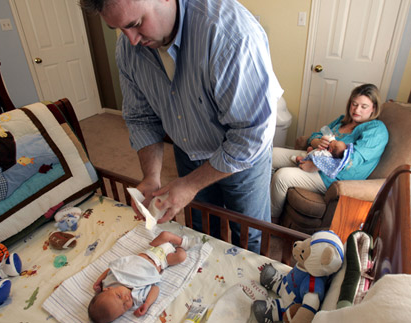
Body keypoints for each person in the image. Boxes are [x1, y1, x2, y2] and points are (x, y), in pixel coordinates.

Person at [80, 0, 283, 252]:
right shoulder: (128, 47)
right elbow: (141, 117)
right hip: (189, 150)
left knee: (250, 235)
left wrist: (190, 184)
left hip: (243, 158)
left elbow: (250, 135)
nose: (131, 39)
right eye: (120, 29)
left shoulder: (231, 35)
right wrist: (152, 177)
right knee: (202, 230)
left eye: (136, 24)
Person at [270, 83, 388, 219]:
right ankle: (261, 199)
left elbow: (351, 160)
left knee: (282, 177)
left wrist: (316, 165)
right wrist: (317, 142)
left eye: (364, 106)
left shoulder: (376, 130)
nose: (357, 110)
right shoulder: (342, 120)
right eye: (354, 104)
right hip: (315, 155)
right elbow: (316, 135)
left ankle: (270, 221)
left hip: (334, 176)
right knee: (272, 154)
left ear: (374, 108)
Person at [88, 231, 200, 322]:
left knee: (165, 235)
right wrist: (147, 304)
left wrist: (99, 280)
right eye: (124, 307)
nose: (126, 299)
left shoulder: (110, 281)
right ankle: (181, 246)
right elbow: (155, 288)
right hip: (163, 260)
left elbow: (112, 268)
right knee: (181, 256)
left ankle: (181, 241)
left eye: (118, 296)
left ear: (108, 289)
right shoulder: (137, 297)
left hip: (149, 251)